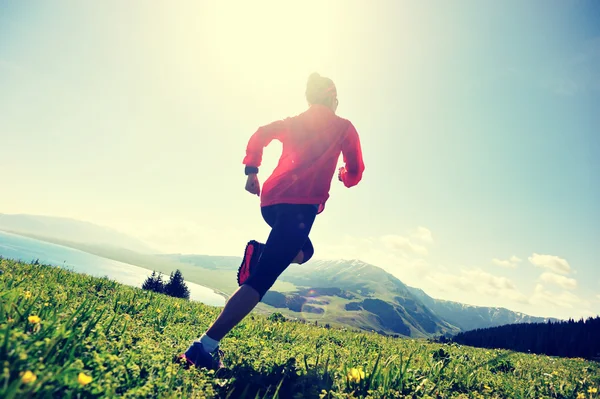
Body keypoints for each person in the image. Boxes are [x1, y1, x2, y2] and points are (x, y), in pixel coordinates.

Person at [178, 72, 365, 370]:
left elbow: (260, 133)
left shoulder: (293, 122)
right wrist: (343, 175)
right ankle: (203, 347)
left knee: (307, 251)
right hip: (299, 208)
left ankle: (263, 254)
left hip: (271, 201)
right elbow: (355, 170)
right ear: (332, 97)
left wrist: (252, 170)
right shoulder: (343, 127)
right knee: (262, 279)